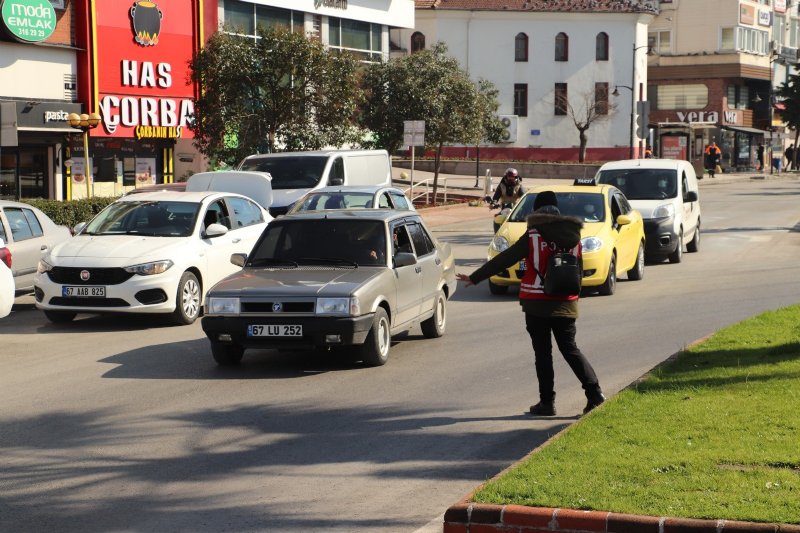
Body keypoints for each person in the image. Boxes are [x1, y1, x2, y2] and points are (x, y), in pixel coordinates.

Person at [456, 191, 606, 417]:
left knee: (542, 353)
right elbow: (578, 271)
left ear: (537, 211)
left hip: (537, 302)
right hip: (566, 301)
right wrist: (574, 296)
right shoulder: (574, 235)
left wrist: (476, 276)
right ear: (557, 210)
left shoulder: (534, 234)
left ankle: (547, 403)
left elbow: (507, 258)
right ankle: (595, 393)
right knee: (570, 348)